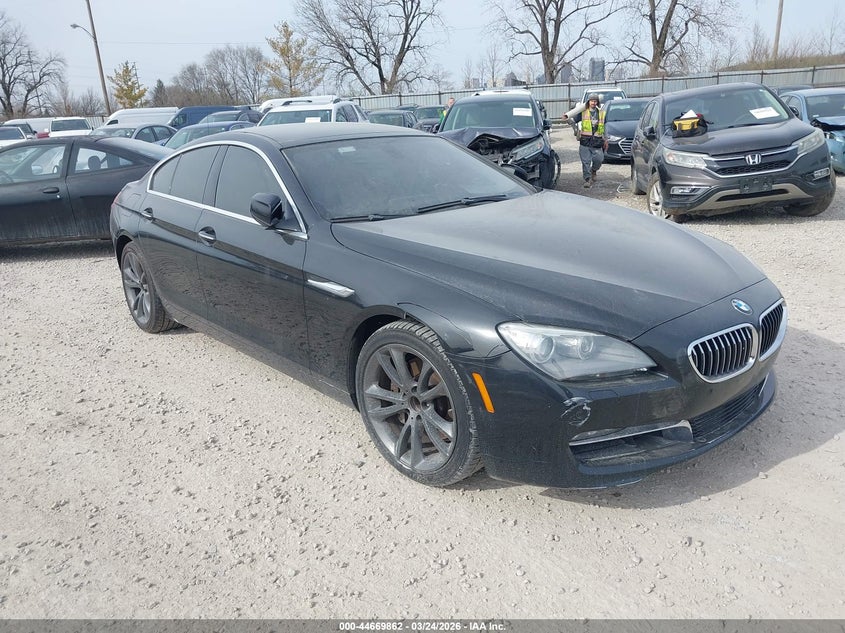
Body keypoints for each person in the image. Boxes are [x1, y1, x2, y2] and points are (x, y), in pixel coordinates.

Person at [562, 93, 608, 188]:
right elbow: (573, 120)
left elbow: (604, 127)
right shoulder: (583, 112)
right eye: (592, 101)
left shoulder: (601, 113)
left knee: (599, 159)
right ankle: (587, 179)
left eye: (595, 101)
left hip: (597, 141)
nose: (593, 103)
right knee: (585, 162)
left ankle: (594, 170)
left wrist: (606, 139)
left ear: (597, 102)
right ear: (588, 102)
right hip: (585, 141)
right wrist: (567, 118)